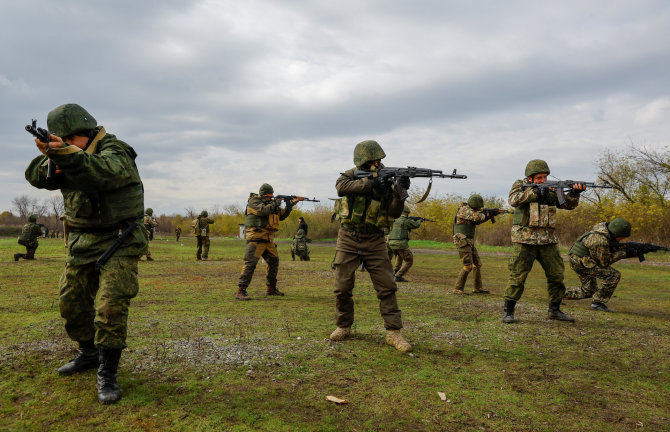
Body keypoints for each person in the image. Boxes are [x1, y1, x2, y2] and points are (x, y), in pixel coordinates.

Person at [24, 103, 148, 404]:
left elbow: (103, 174)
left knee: (110, 307)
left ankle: (108, 371)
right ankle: (88, 352)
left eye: (68, 141)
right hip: (81, 239)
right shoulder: (69, 155)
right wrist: (51, 156)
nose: (65, 146)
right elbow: (36, 177)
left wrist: (67, 154)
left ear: (84, 134)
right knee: (71, 303)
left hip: (119, 238)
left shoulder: (116, 150)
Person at [329, 140, 412, 352]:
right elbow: (341, 188)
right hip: (348, 237)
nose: (377, 163)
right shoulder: (350, 175)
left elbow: (393, 213)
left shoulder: (389, 179)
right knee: (342, 287)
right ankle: (344, 326)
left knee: (387, 286)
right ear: (362, 161)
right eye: (372, 161)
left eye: (378, 160)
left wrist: (400, 191)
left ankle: (394, 333)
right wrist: (372, 184)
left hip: (375, 239)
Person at [502, 159, 585, 324]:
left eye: (545, 177)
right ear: (531, 178)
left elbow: (567, 205)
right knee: (518, 276)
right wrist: (536, 193)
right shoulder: (520, 184)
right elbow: (513, 200)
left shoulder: (551, 190)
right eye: (539, 178)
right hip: (524, 240)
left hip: (547, 240)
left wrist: (575, 193)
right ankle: (508, 311)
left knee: (557, 275)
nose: (543, 181)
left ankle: (554, 310)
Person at [236, 184, 298, 300]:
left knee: (274, 262)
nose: (272, 197)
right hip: (256, 238)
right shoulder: (254, 202)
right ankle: (241, 291)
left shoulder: (271, 204)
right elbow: (263, 211)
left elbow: (281, 216)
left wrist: (290, 205)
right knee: (250, 264)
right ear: (264, 194)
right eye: (270, 195)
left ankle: (271, 288)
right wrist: (276, 202)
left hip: (268, 239)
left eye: (273, 195)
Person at [564, 218, 636, 312]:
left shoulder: (602, 230)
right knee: (613, 275)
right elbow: (604, 263)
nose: (623, 239)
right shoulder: (600, 241)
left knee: (589, 290)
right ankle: (598, 303)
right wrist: (625, 254)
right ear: (616, 234)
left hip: (580, 260)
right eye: (622, 237)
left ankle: (556, 294)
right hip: (581, 262)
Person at [452, 194, 502, 294]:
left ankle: (477, 288)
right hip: (462, 240)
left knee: (477, 264)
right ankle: (458, 288)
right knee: (468, 265)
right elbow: (478, 217)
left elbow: (478, 221)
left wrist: (491, 215)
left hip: (468, 240)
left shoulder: (470, 211)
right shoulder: (464, 210)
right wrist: (488, 214)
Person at [388, 205, 422, 282]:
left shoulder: (394, 220)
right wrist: (420, 220)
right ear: (406, 213)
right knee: (409, 261)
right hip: (401, 243)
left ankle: (395, 271)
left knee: (399, 256)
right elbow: (416, 225)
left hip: (392, 243)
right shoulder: (406, 220)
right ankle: (398, 276)